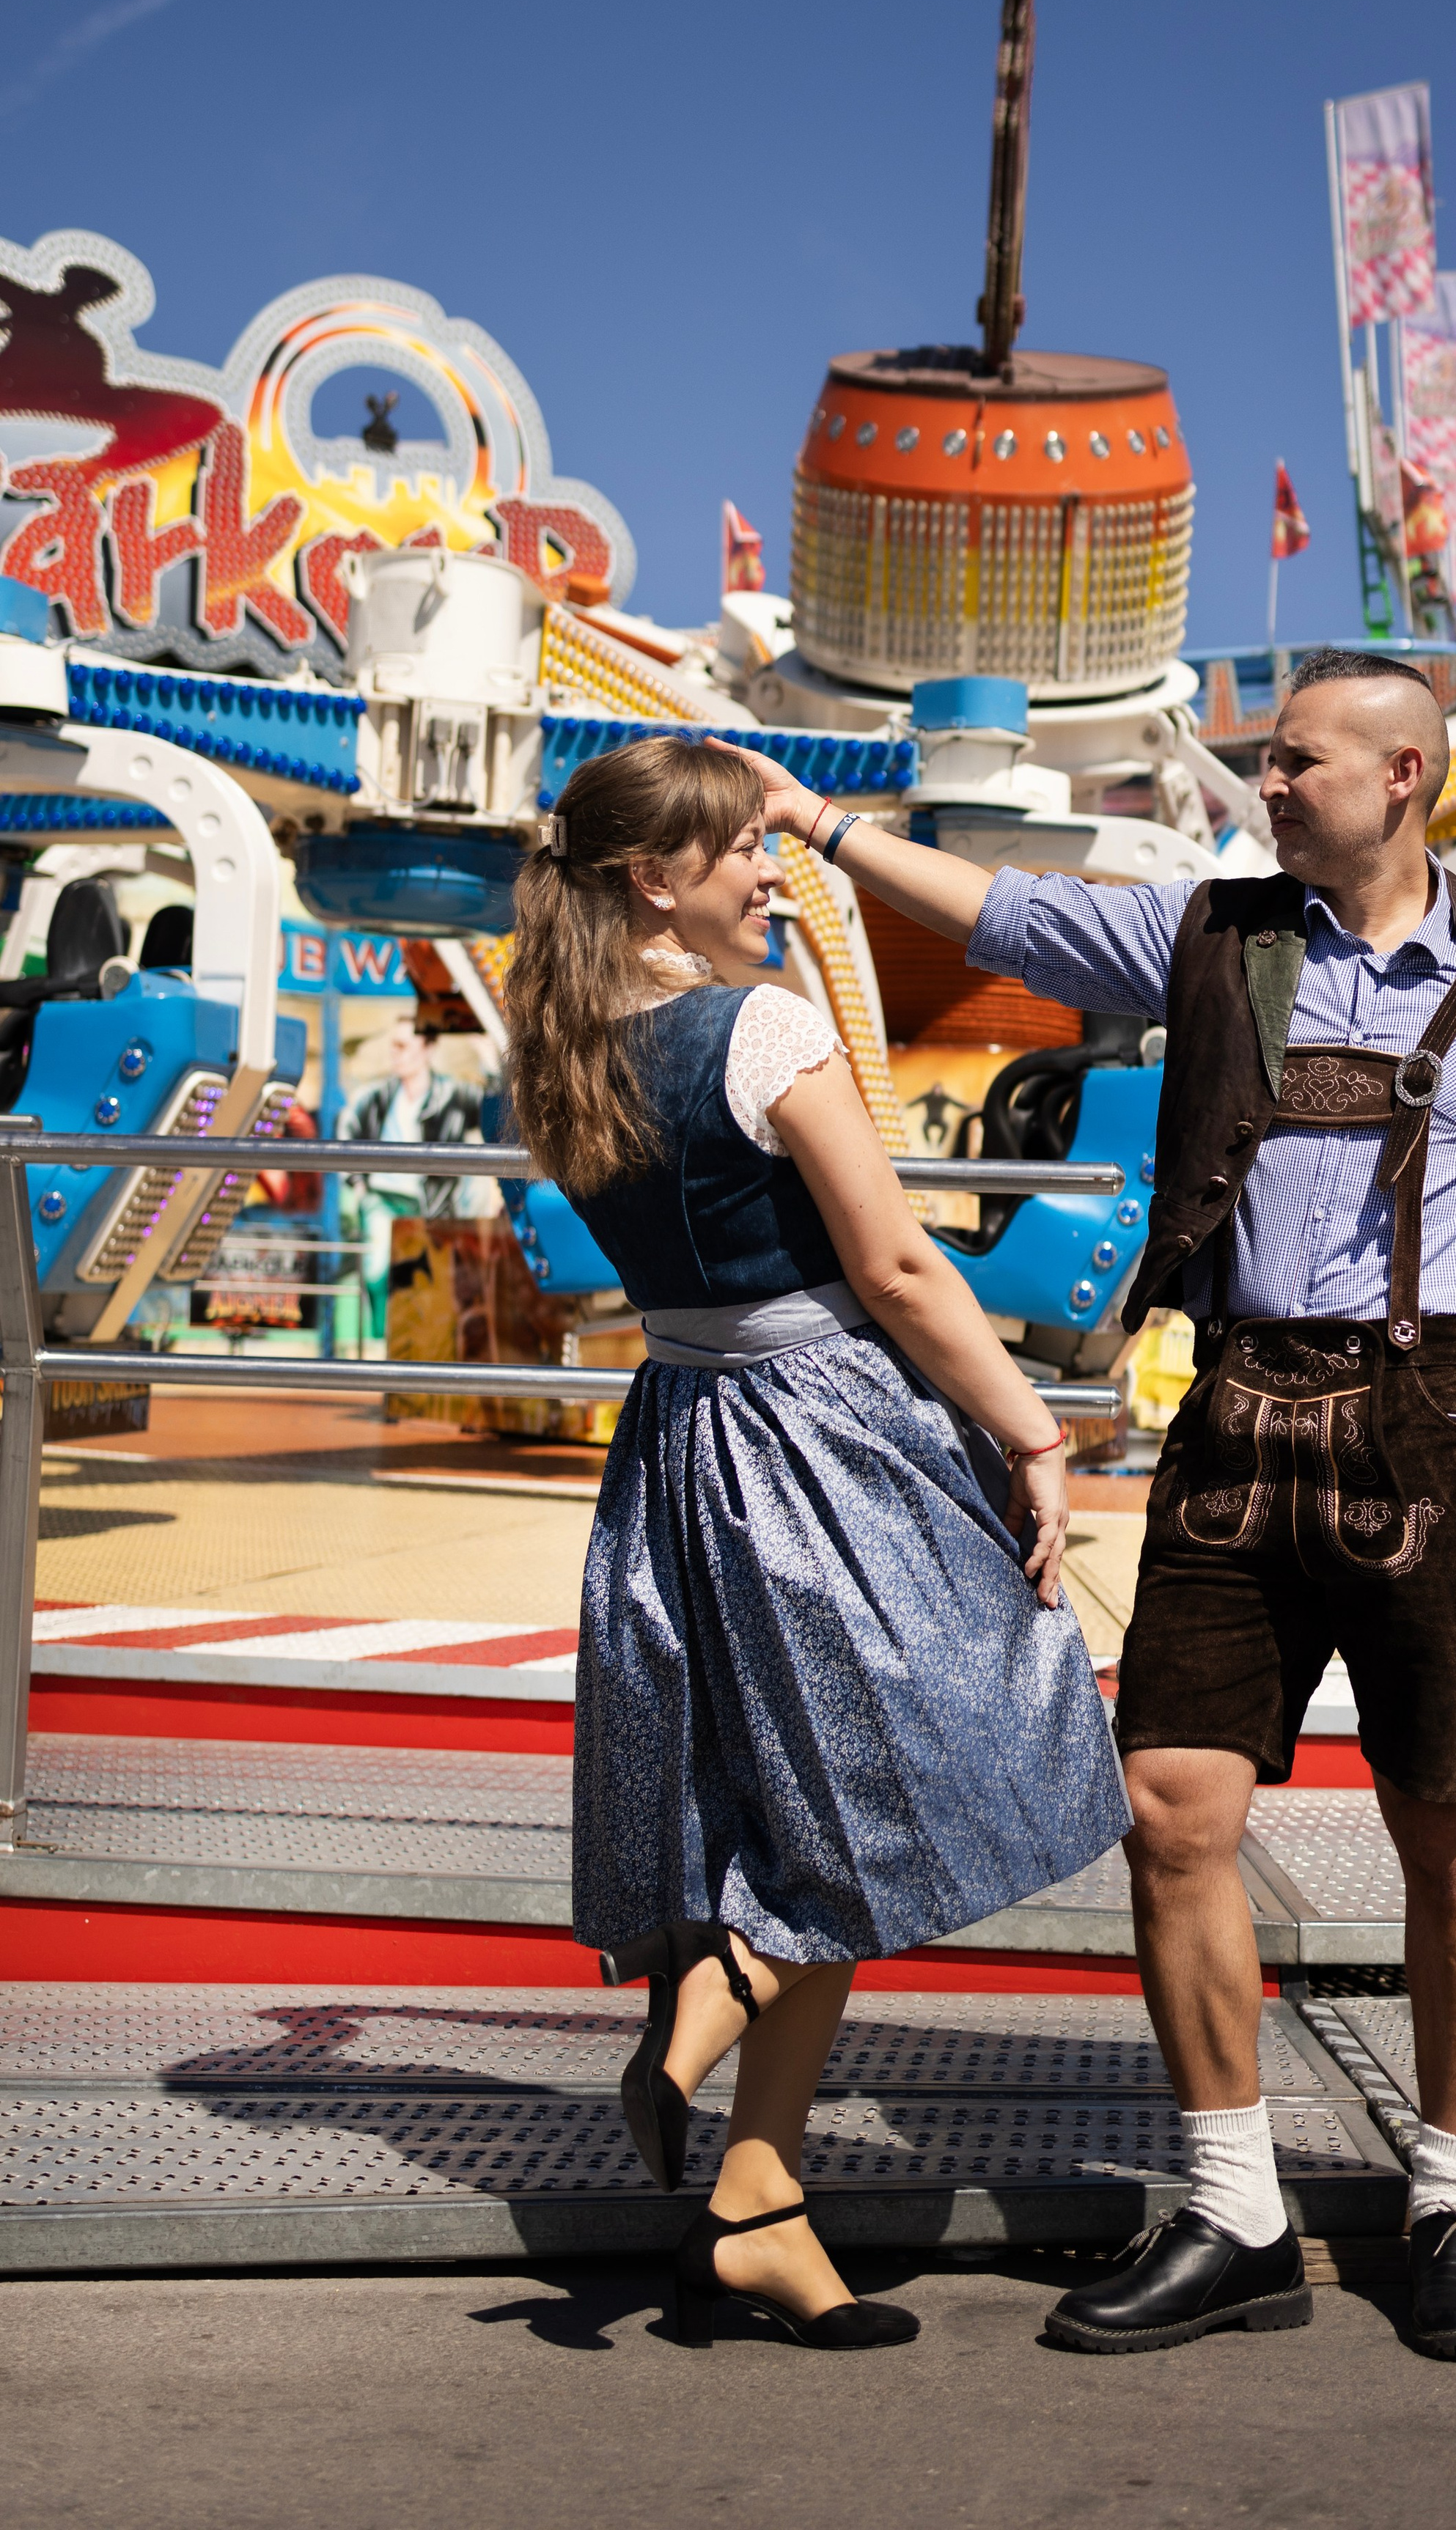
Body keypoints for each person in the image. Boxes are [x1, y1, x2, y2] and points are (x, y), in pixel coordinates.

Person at [729, 651, 1456, 2362]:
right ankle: (1232, 2201)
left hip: (1434, 1427)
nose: (1266, 785)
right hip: (1236, 1407)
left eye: (1295, 761)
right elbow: (1006, 914)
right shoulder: (1211, 930)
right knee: (1167, 1804)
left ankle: (1454, 2198)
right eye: (1266, 762)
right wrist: (823, 826)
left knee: (1444, 1820)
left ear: (1400, 776)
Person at [502, 739, 1126, 2353]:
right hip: (823, 1434)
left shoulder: (568, 1041)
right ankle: (730, 1984)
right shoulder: (759, 1028)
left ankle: (758, 2199)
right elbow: (904, 1268)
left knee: (801, 1795)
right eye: (742, 850)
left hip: (681, 1439)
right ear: (656, 879)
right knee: (972, 1735)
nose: (774, 873)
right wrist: (1035, 1432)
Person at [337, 1017, 488, 1346]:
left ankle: (420, 1350)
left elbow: (493, 1107)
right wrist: (358, 1184)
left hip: (430, 1205)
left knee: (431, 1281)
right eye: (393, 1045)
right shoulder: (377, 1096)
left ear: (428, 1050)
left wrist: (489, 1057)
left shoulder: (452, 1093)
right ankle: (382, 1340)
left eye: (403, 1046)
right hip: (383, 1196)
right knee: (377, 1270)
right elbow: (346, 1131)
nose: (396, 1054)